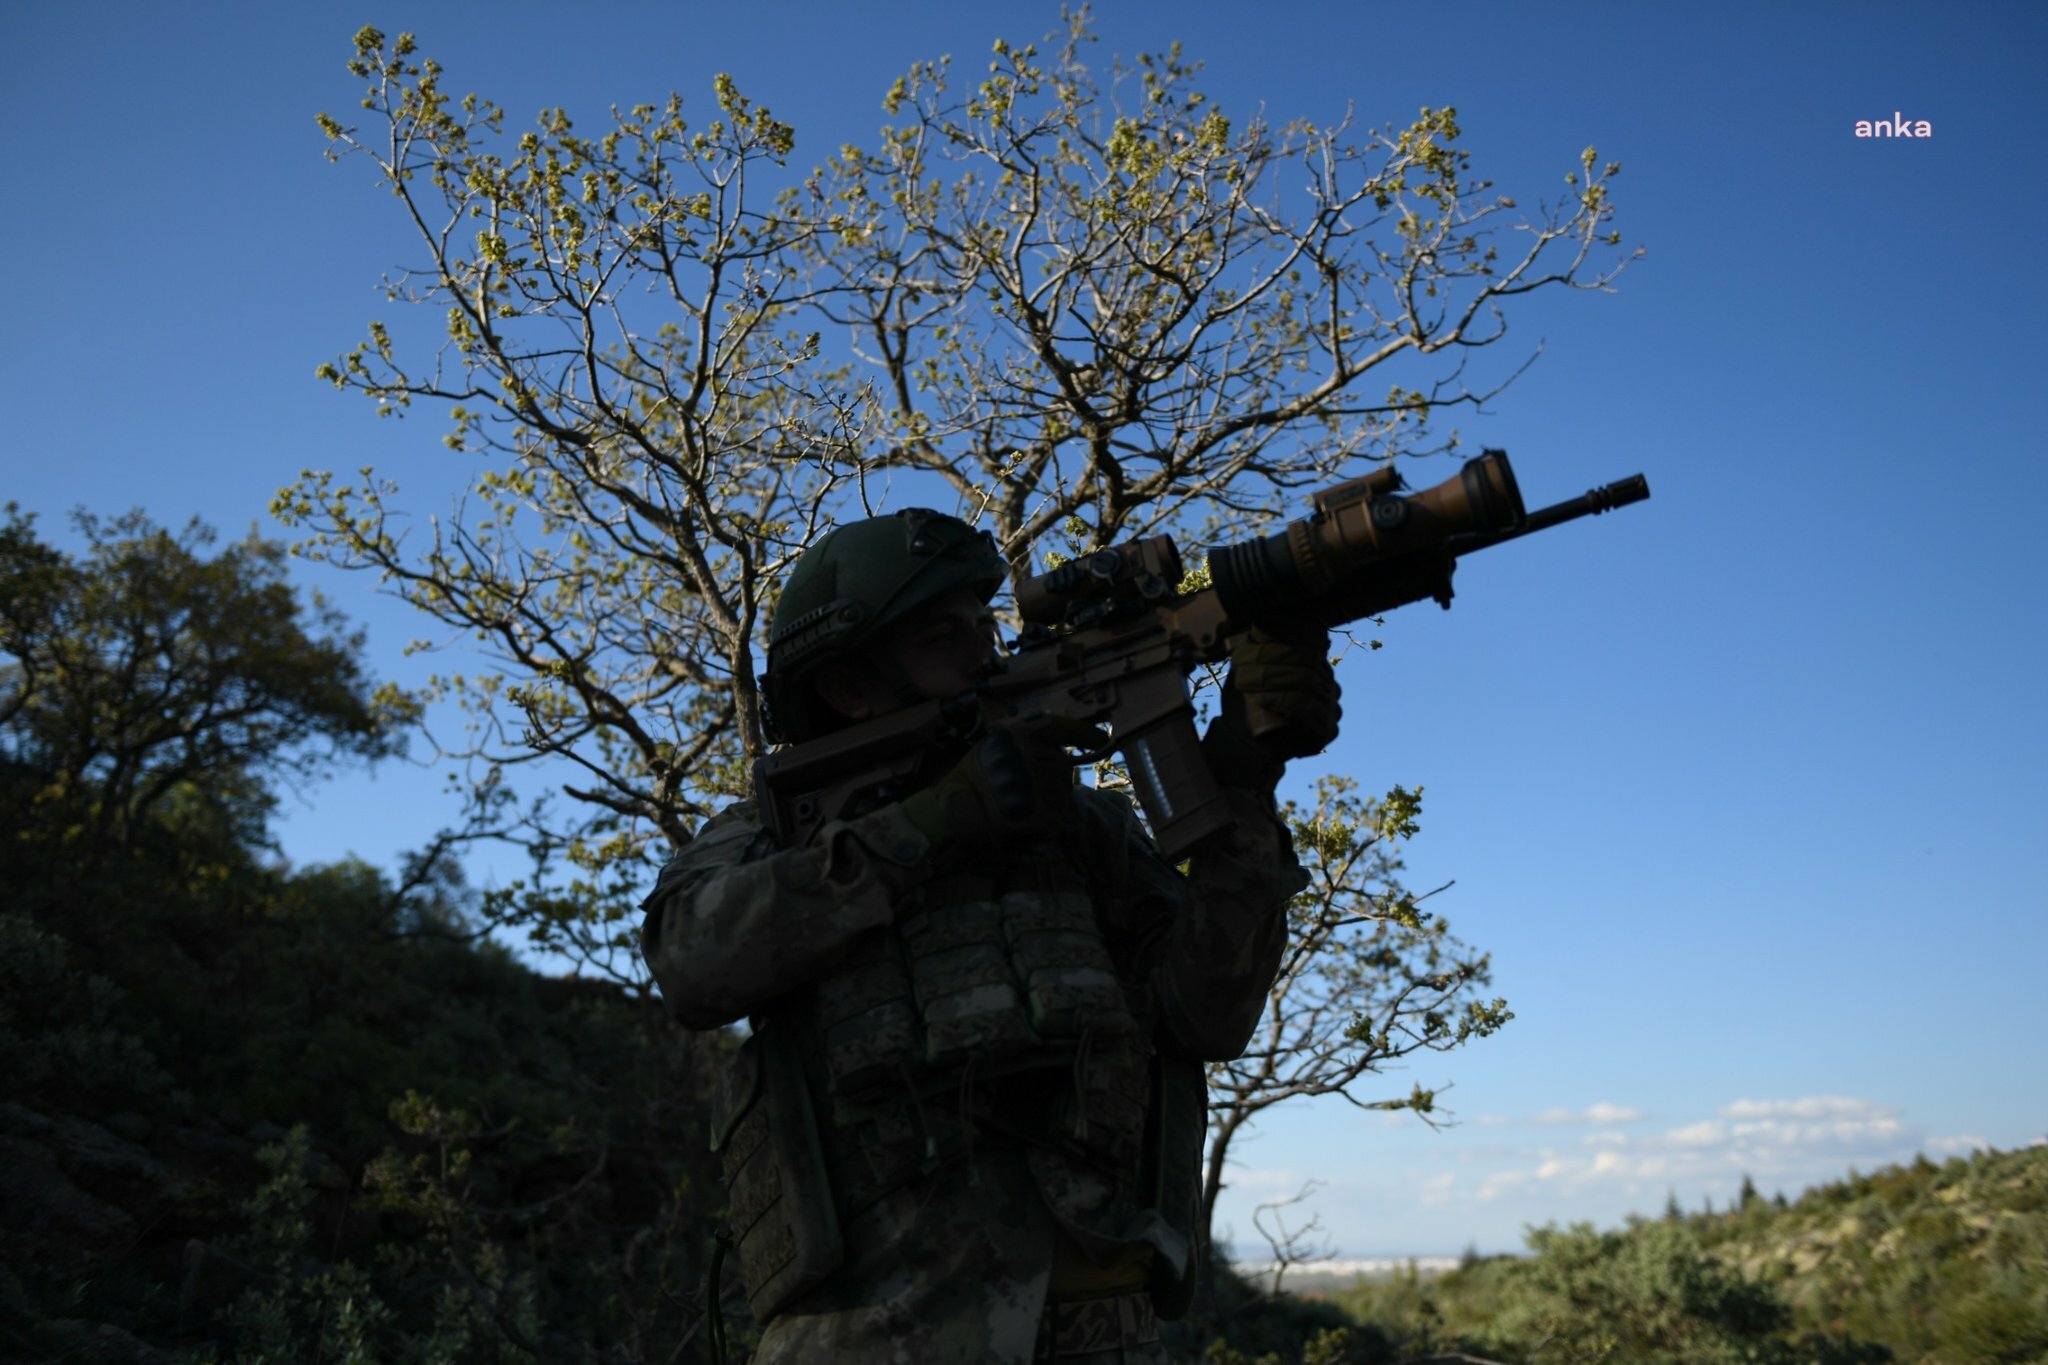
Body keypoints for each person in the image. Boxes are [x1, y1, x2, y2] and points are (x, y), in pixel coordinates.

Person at [639, 508, 1340, 1364]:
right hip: (878, 1340)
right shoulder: (773, 835)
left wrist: (1242, 780)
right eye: (943, 637)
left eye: (986, 626)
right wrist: (934, 822)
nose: (984, 654)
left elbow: (1208, 1013)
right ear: (850, 688)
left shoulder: (1083, 831)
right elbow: (691, 962)